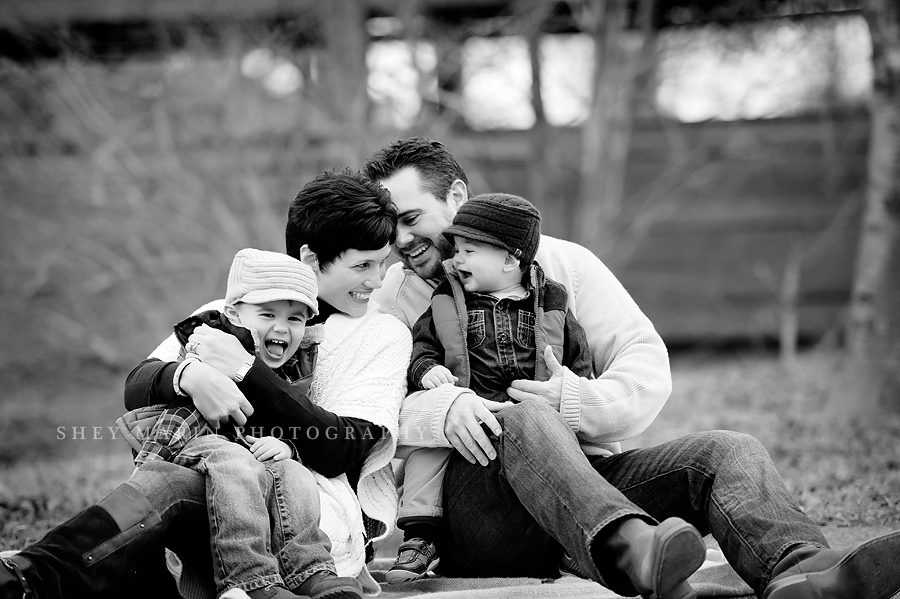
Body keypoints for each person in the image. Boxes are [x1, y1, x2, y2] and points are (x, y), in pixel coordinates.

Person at [363, 136, 900, 599]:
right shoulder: (390, 297)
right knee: (525, 417)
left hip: (582, 478)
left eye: (411, 219)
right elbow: (368, 410)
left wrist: (572, 402)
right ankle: (631, 547)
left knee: (726, 450)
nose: (402, 243)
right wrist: (443, 407)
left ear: (456, 197)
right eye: (392, 230)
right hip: (478, 511)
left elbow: (646, 366)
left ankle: (798, 572)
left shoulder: (564, 265)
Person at [0, 169, 412, 599]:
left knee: (172, 484)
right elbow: (138, 384)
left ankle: (32, 575)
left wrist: (245, 371)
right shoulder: (227, 311)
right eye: (363, 265)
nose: (378, 281)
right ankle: (33, 576)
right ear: (311, 259)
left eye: (382, 263)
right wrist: (189, 375)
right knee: (183, 477)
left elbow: (343, 448)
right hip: (220, 500)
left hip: (309, 518)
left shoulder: (382, 335)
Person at [115, 247, 365, 599]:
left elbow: (278, 423)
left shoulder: (291, 369)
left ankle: (310, 571)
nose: (282, 327)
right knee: (235, 461)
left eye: (295, 318)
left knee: (293, 473)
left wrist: (286, 446)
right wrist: (190, 374)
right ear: (233, 312)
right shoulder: (209, 341)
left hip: (245, 460)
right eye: (267, 314)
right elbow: (148, 392)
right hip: (191, 447)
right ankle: (249, 580)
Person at [386, 192, 609, 584]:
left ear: (510, 258)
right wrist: (427, 371)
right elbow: (423, 345)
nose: (456, 260)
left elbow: (578, 355)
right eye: (456, 250)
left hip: (542, 422)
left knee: (578, 458)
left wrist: (573, 387)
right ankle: (420, 537)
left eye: (468, 251)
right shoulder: (446, 300)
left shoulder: (551, 300)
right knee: (427, 456)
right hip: (470, 422)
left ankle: (573, 545)